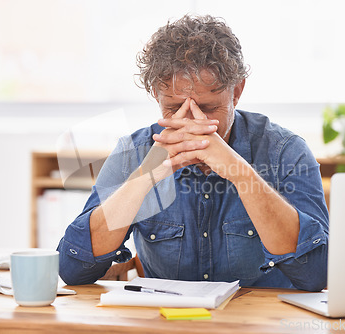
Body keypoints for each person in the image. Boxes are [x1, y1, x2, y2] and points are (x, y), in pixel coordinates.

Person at [57, 14, 329, 291]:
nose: (192, 122)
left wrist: (241, 173)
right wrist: (146, 177)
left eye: (209, 109)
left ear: (236, 91)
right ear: (156, 93)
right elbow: (72, 269)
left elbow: (316, 275)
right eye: (174, 109)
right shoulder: (134, 152)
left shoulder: (285, 151)